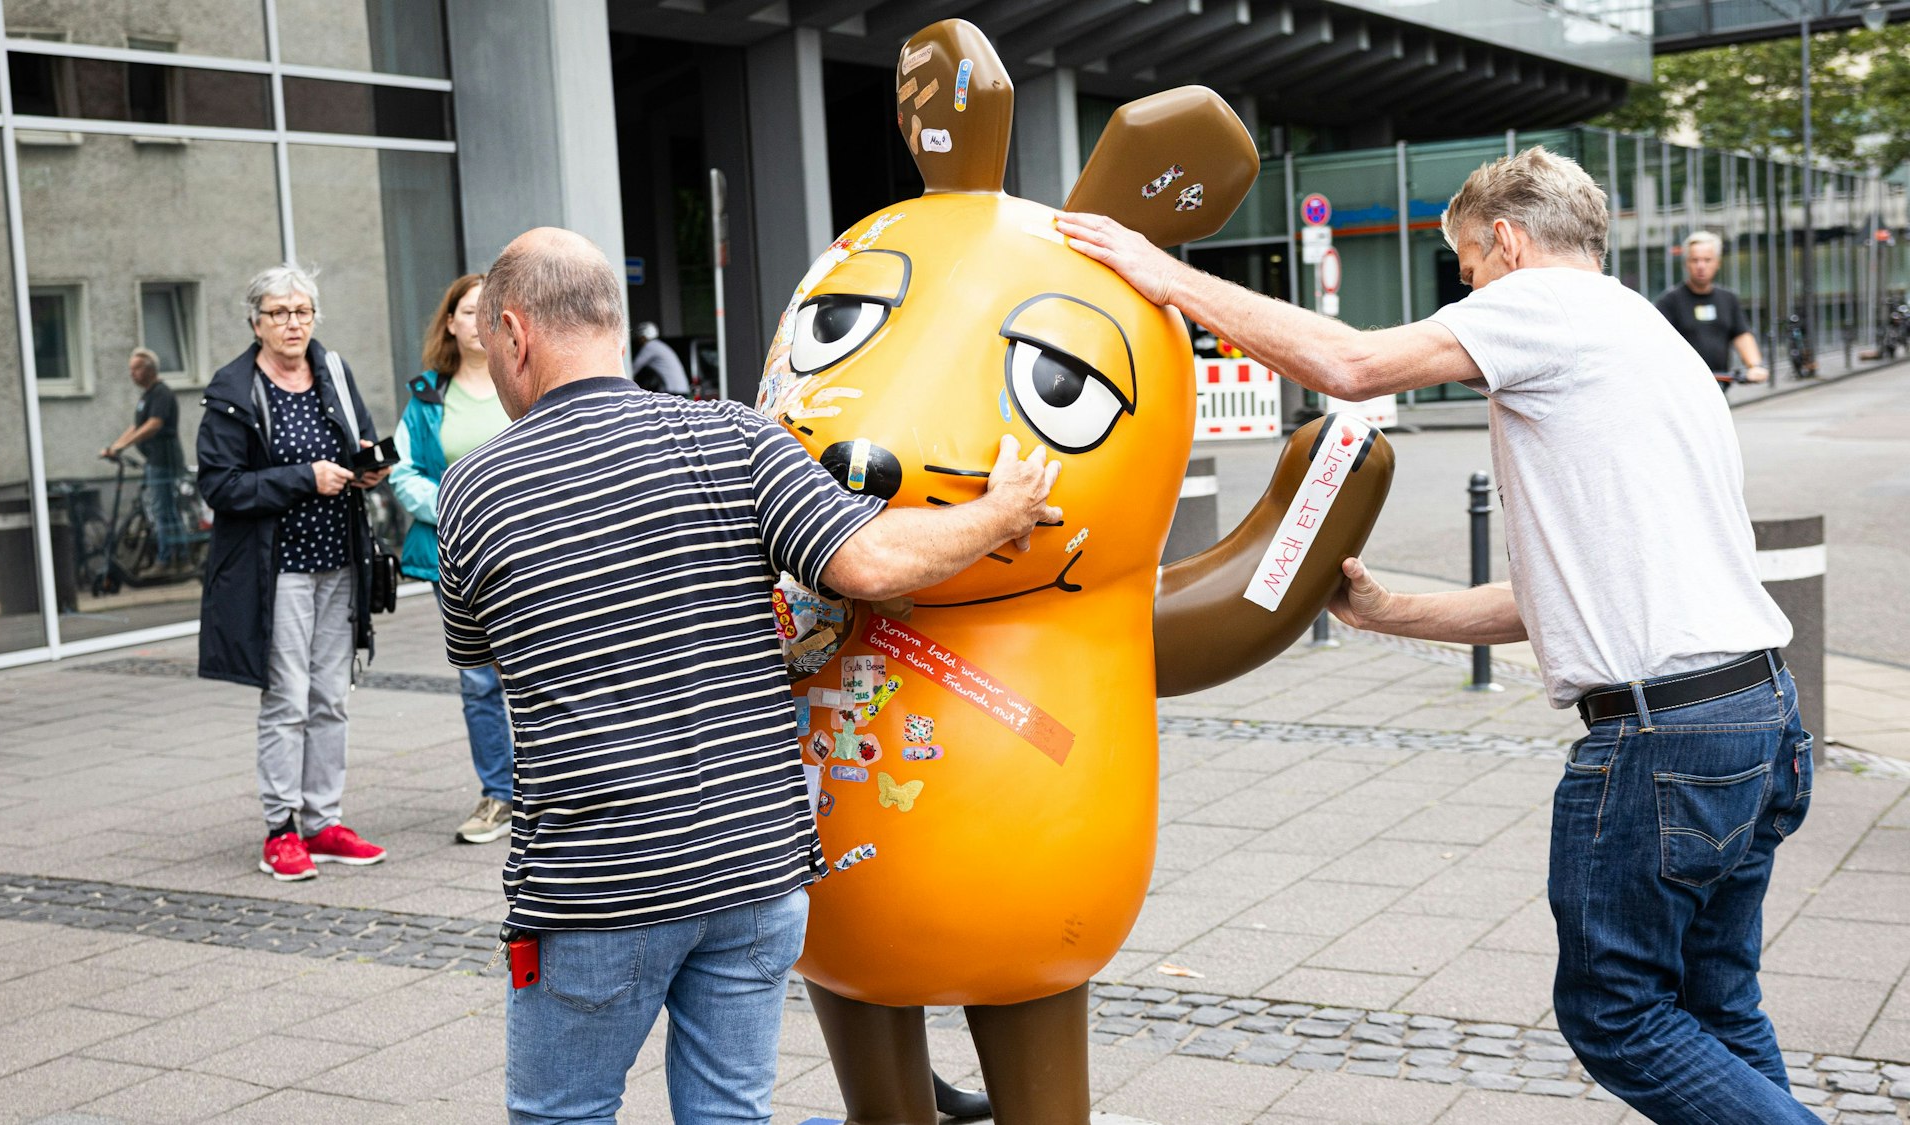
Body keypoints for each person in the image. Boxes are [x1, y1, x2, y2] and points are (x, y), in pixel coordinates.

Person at [1059, 149, 1811, 1125]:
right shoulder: (1646, 336)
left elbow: (1351, 366)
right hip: (1752, 716)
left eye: (1462, 263)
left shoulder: (1544, 303)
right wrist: (1390, 614)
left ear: (1503, 239)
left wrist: (1159, 273)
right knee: (1714, 1005)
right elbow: (1573, 601)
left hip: (1663, 747)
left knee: (1618, 1019)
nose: (1463, 289)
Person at [437, 228, 1060, 1124]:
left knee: (559, 1113)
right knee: (730, 1114)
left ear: (513, 333)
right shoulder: (734, 436)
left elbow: (479, 652)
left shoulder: (474, 488)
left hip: (596, 880)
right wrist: (1001, 511)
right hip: (754, 866)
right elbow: (873, 563)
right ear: (610, 324)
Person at [197, 265, 393, 883]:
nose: (293, 323)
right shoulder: (234, 388)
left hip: (340, 560)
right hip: (277, 569)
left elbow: (356, 441)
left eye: (303, 311)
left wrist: (366, 468)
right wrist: (304, 478)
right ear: (255, 322)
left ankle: (323, 821)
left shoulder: (331, 370)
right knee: (287, 699)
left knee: (332, 695)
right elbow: (219, 486)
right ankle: (281, 829)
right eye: (279, 313)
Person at [391, 273, 518, 845]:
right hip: (461, 553)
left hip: (530, 548)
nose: (476, 320)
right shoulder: (426, 395)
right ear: (450, 322)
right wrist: (460, 510)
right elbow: (403, 473)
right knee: (479, 681)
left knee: (550, 673)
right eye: (467, 311)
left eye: (487, 310)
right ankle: (499, 794)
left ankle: (557, 791)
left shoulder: (522, 380)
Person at [100, 347, 188, 569]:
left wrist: (124, 445)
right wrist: (116, 447)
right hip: (153, 461)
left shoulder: (161, 393)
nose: (132, 374)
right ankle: (172, 555)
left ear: (149, 370)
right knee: (158, 508)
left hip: (164, 461)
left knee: (164, 509)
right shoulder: (147, 396)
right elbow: (136, 426)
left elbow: (153, 425)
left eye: (136, 368)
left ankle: (173, 557)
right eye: (130, 370)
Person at [1654, 231, 1768, 394]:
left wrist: (1755, 366)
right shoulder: (1669, 301)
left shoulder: (1728, 299)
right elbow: (1657, 343)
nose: (1701, 266)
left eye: (1707, 260)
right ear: (1686, 263)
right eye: (1695, 260)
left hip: (1719, 389)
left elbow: (1742, 335)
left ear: (1718, 263)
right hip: (1684, 391)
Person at [629, 320, 690, 394]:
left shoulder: (650, 346)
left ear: (643, 336)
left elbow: (633, 368)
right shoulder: (659, 345)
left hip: (673, 391)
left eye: (638, 337)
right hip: (680, 388)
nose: (638, 341)